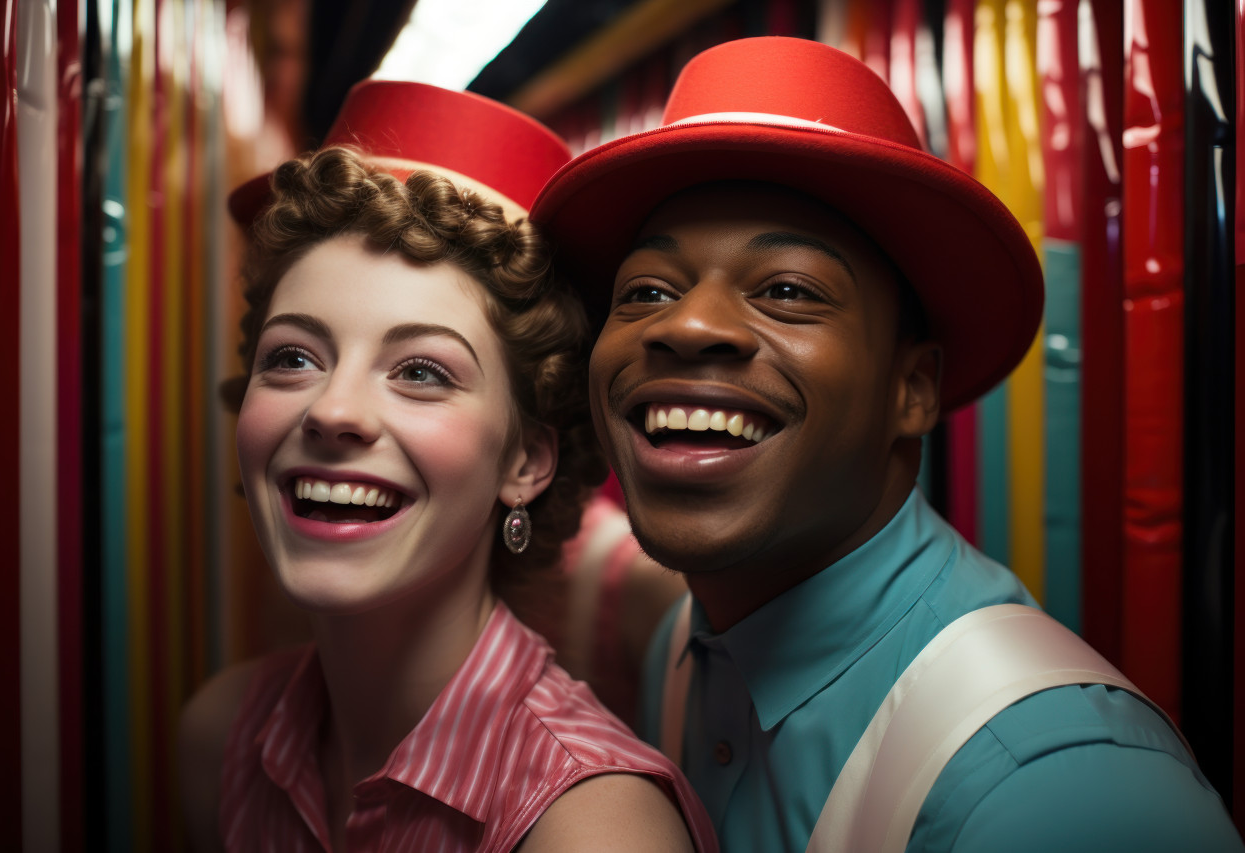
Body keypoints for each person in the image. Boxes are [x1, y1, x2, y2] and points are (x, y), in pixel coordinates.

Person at [532, 37, 1243, 852]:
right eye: (647, 290)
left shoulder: (1057, 783)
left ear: (912, 389)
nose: (687, 325)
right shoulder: (683, 656)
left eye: (788, 291)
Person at [179, 81, 716, 852]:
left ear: (527, 461)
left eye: (422, 371)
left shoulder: (592, 827)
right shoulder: (220, 741)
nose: (332, 412)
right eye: (294, 356)